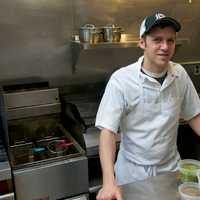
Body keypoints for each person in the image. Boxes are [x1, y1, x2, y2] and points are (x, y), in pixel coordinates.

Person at [95, 12, 200, 200]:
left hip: (170, 170)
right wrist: (109, 182)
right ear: (142, 43)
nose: (165, 47)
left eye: (170, 40)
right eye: (157, 40)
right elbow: (107, 132)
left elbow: (194, 115)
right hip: (133, 175)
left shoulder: (179, 74)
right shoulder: (122, 80)